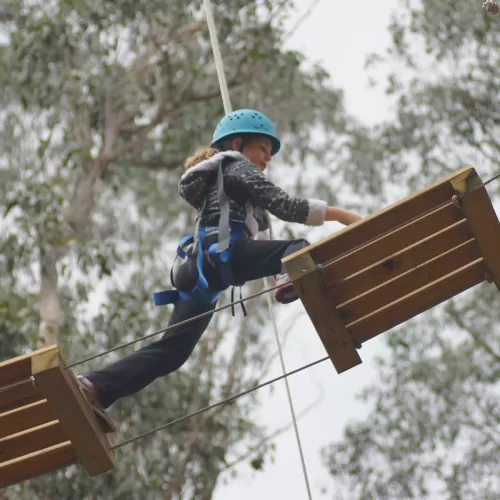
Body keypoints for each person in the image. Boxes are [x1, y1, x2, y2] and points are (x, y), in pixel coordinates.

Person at [75, 109, 361, 432]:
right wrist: (339, 215)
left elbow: (261, 218)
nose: (266, 159)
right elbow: (284, 204)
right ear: (238, 144)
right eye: (263, 150)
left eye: (269, 154)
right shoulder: (236, 165)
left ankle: (95, 387)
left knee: (172, 353)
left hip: (203, 270)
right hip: (226, 254)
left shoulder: (224, 175)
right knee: (298, 250)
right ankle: (289, 280)